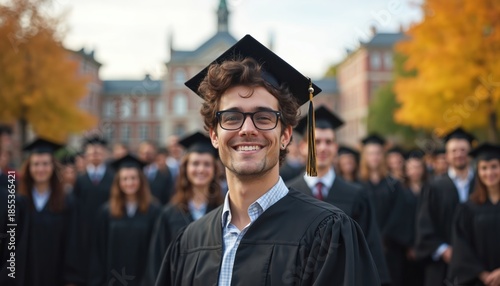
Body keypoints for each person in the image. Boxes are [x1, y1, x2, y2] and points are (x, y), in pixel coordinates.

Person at [155, 34, 379, 286]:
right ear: (214, 135)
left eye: (263, 117)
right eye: (231, 117)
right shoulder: (189, 242)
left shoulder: (327, 233)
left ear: (285, 135)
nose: (247, 129)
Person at [287, 106, 390, 285]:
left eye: (329, 142)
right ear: (303, 147)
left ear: (336, 147)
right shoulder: (287, 194)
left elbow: (370, 247)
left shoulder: (356, 195)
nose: (323, 147)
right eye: (316, 141)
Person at [146, 131, 224, 284]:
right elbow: (157, 260)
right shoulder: (169, 213)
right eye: (195, 163)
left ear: (215, 169)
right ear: (185, 169)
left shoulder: (223, 211)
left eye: (207, 164)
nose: (201, 169)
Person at [415, 127, 476, 286]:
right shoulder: (434, 187)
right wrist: (443, 250)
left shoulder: (481, 184)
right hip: (442, 266)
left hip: (479, 263)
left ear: (470, 152)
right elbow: (424, 224)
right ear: (447, 155)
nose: (459, 154)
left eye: (463, 150)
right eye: (454, 150)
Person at [89, 154, 160, 286]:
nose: (129, 183)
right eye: (124, 179)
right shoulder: (106, 212)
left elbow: (156, 250)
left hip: (145, 281)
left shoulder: (154, 211)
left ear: (141, 180)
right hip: (112, 280)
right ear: (118, 182)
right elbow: (98, 251)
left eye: (133, 178)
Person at [16, 138, 75, 286]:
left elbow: (73, 244)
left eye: (45, 164)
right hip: (23, 277)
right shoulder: (18, 202)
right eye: (36, 164)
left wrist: (72, 280)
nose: (40, 169)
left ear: (53, 167)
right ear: (28, 168)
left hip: (57, 277)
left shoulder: (67, 202)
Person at [359, 134, 412, 286]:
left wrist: (383, 237)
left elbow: (399, 214)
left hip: (390, 248)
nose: (374, 157)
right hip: (365, 248)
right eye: (370, 153)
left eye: (377, 153)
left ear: (383, 156)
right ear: (365, 157)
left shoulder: (393, 184)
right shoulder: (357, 185)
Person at [447, 143, 500, 285]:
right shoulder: (468, 208)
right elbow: (461, 246)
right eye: (484, 168)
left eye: (494, 166)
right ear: (478, 172)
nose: (489, 173)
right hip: (478, 280)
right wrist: (481, 274)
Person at [67, 136, 115, 285]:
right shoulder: (80, 180)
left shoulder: (113, 178)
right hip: (84, 232)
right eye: (91, 151)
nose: (95, 153)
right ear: (86, 154)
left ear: (105, 153)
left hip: (108, 230)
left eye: (99, 150)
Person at [401, 149, 428, 286]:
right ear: (405, 171)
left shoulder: (431, 190)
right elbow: (402, 222)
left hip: (429, 246)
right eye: (411, 167)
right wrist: (409, 245)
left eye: (418, 167)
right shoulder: (402, 192)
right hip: (410, 247)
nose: (415, 171)